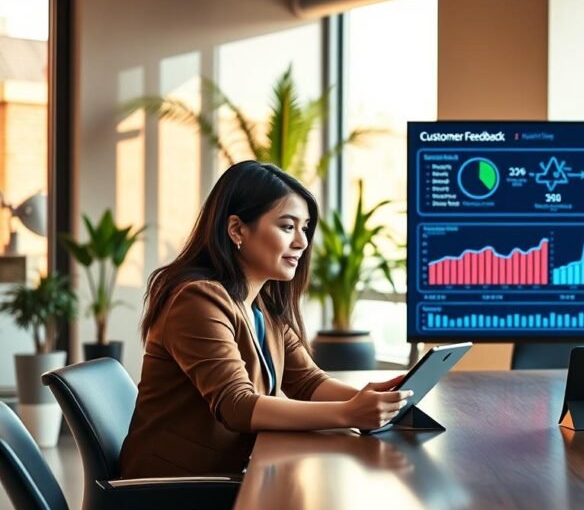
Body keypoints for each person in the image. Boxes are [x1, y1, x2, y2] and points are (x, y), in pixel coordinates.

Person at [120, 161, 412, 477]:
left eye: (305, 228)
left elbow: (308, 382)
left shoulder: (261, 305)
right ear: (237, 230)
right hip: (175, 486)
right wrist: (348, 413)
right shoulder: (197, 300)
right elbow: (237, 405)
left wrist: (374, 400)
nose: (302, 242)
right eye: (288, 227)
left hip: (230, 473)